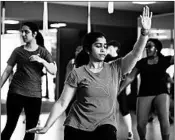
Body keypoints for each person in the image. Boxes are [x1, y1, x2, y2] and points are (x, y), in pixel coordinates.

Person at [26, 6, 152, 140]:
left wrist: (144, 33)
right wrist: (47, 126)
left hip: (105, 125)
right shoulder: (78, 73)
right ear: (88, 50)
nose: (103, 49)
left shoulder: (116, 68)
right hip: (76, 126)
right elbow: (62, 102)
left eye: (104, 46)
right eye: (98, 46)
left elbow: (135, 54)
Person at [0, 22, 57, 140]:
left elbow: (53, 71)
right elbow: (7, 71)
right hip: (16, 92)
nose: (23, 34)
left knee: (31, 129)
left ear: (34, 34)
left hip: (34, 95)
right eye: (22, 32)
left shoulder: (43, 52)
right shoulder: (17, 51)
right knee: (10, 126)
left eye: (26, 32)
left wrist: (41, 60)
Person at [119, 38, 174, 140]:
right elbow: (131, 77)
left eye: (150, 46)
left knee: (164, 118)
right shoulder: (141, 63)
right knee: (140, 124)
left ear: (157, 49)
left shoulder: (165, 60)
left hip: (161, 92)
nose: (147, 49)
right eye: (146, 46)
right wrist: (120, 89)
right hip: (144, 93)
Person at [105, 40, 134, 140]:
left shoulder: (122, 59)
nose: (107, 49)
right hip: (108, 87)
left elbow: (128, 73)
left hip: (120, 86)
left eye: (109, 47)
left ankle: (130, 132)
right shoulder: (104, 59)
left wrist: (128, 86)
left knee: (124, 108)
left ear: (115, 48)